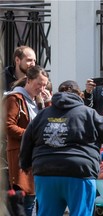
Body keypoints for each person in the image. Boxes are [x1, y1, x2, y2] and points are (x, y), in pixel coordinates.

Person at [19, 80, 103, 216]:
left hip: (46, 171)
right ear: (80, 95)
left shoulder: (42, 115)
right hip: (79, 171)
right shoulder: (89, 113)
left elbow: (27, 139)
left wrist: (25, 164)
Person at [3, 65, 49, 216]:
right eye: (39, 84)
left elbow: (46, 125)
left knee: (33, 201)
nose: (42, 88)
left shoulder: (37, 101)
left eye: (44, 85)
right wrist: (30, 135)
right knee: (26, 202)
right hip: (21, 157)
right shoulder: (14, 98)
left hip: (35, 158)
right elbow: (8, 127)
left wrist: (48, 104)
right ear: (28, 80)